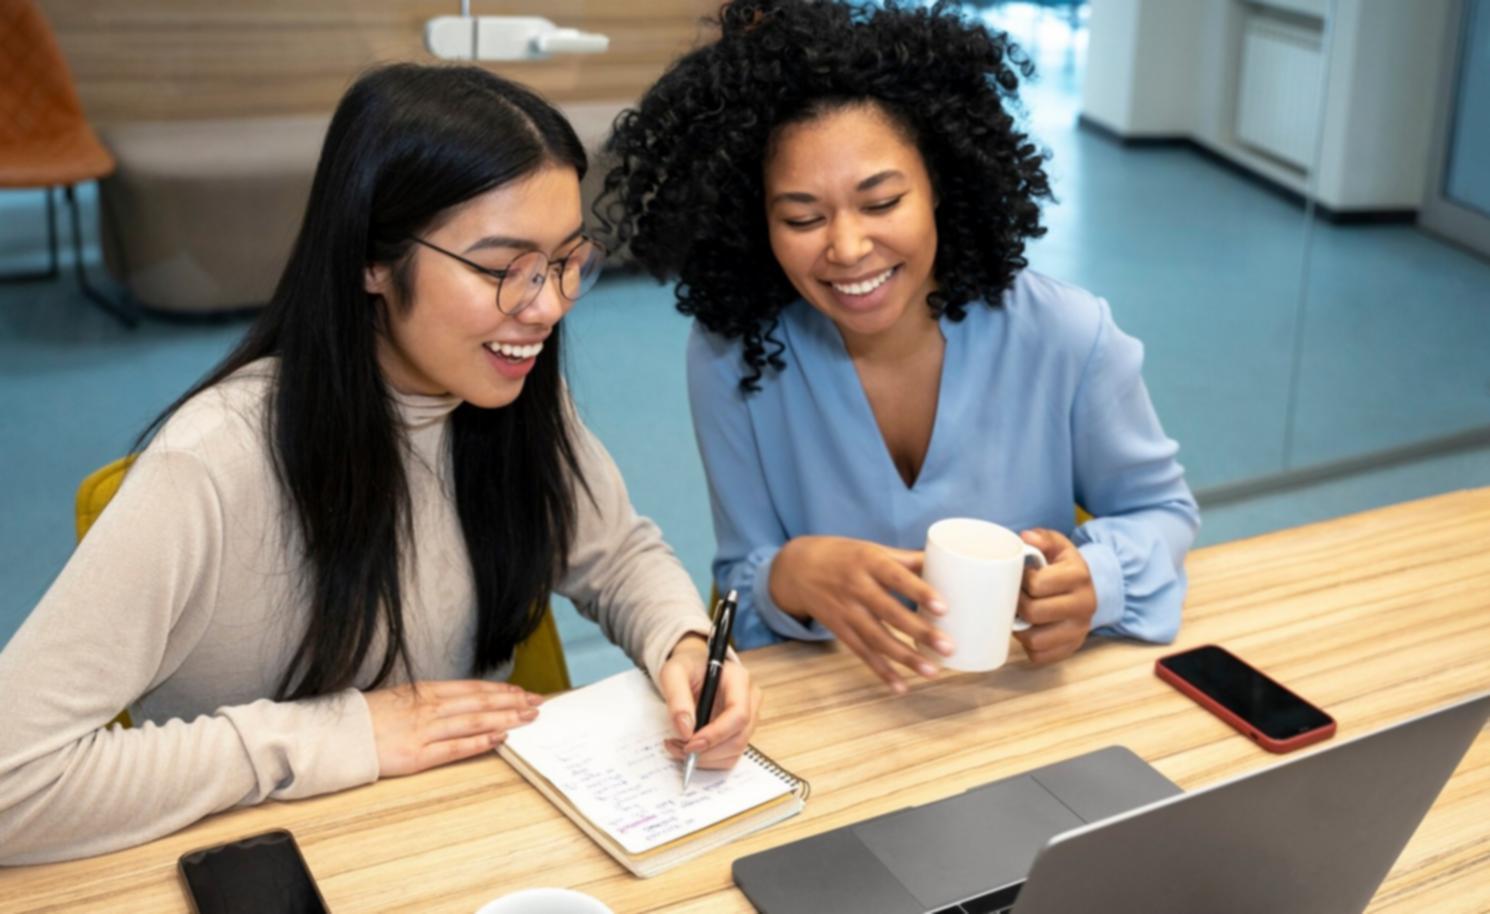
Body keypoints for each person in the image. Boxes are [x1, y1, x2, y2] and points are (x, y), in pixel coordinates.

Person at [0, 64, 760, 865]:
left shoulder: (511, 391)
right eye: (504, 268)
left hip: (453, 847)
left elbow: (618, 555)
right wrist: (340, 733)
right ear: (371, 257)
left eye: (565, 261)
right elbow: (13, 780)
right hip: (280, 865)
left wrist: (681, 644)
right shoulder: (212, 467)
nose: (546, 306)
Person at [600, 0, 1200, 693]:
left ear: (939, 184)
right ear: (754, 221)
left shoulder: (1067, 335)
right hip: (842, 717)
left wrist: (1096, 582)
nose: (848, 249)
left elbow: (1163, 513)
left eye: (882, 203)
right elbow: (743, 576)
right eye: (802, 217)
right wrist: (792, 574)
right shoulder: (734, 355)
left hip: (1021, 705)